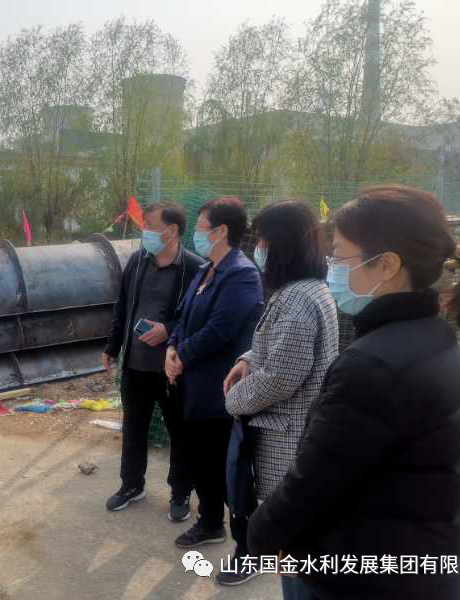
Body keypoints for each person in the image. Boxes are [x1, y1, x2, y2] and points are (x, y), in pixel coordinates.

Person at [247, 185, 460, 600]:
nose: (332, 268)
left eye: (340, 255)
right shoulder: (438, 338)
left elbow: (314, 484)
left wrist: (261, 535)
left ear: (387, 265)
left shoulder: (373, 366)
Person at [218, 200, 339, 587]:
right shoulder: (308, 290)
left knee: (290, 538)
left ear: (281, 243)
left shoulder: (297, 299)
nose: (259, 248)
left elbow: (281, 377)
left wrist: (234, 401)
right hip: (296, 426)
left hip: (287, 433)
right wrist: (247, 359)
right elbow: (277, 347)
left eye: (262, 239)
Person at [165, 196, 264, 549]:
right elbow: (183, 317)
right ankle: (209, 523)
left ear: (221, 231)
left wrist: (182, 356)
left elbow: (221, 329)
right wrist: (172, 348)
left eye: (200, 226)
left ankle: (248, 542)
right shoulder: (206, 270)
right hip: (193, 385)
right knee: (201, 460)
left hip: (219, 389)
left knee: (225, 467)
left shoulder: (241, 274)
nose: (196, 233)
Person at [102, 202, 204, 520]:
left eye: (149, 225)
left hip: (173, 369)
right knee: (133, 429)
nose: (144, 231)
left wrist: (168, 330)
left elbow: (200, 319)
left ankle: (180, 492)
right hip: (135, 365)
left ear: (171, 231)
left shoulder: (194, 268)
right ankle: (131, 485)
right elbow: (122, 305)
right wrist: (112, 346)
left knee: (180, 432)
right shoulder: (137, 261)